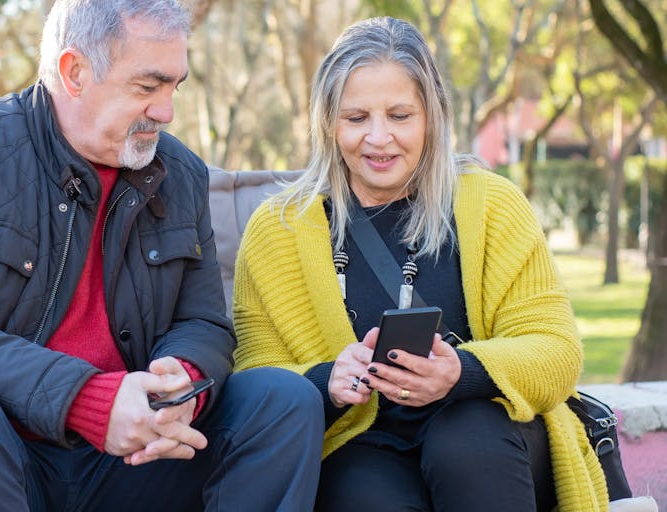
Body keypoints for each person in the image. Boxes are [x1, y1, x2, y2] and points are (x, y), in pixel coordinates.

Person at [0, 1, 324, 510]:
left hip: (131, 460)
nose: (166, 111)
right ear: (74, 72)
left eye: (173, 86)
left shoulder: (179, 173)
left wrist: (181, 381)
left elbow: (205, 321)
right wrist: (85, 400)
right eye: (147, 86)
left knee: (283, 402)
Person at [232, 16, 608, 512]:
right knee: (363, 494)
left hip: (488, 433)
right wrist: (325, 380)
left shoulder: (491, 204)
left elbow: (557, 349)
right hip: (362, 443)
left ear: (432, 116)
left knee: (466, 441)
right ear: (328, 121)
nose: (379, 138)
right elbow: (254, 375)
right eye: (357, 117)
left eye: (400, 115)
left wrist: (464, 372)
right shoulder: (278, 229)